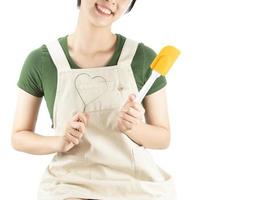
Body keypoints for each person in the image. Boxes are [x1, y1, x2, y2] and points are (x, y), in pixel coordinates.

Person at [12, 0, 176, 199]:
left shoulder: (142, 58)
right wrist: (59, 142)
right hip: (70, 185)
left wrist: (134, 128)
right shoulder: (42, 61)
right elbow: (19, 136)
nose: (112, 1)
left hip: (134, 185)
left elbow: (163, 138)